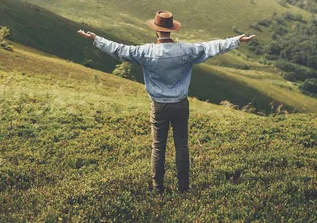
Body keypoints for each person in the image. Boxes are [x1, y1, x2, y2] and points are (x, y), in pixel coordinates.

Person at [77, 10, 255, 194]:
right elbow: (211, 47)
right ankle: (183, 188)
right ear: (171, 30)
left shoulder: (145, 52)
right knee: (182, 146)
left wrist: (95, 38)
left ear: (156, 31)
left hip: (158, 106)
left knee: (158, 147)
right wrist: (236, 40)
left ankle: (158, 188)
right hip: (180, 104)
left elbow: (119, 50)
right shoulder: (186, 50)